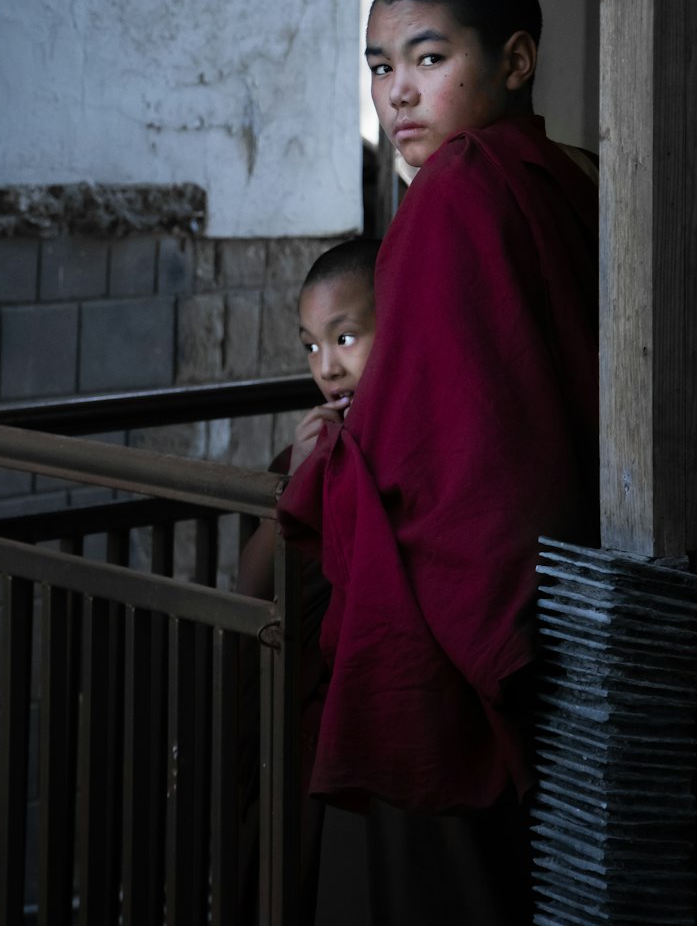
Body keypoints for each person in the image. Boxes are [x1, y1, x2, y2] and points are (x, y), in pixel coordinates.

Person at [277, 0, 599, 920]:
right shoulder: (562, 178)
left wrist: (318, 474)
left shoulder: (458, 185)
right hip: (561, 602)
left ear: (511, 61)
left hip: (437, 641)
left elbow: (441, 455)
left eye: (428, 58)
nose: (398, 95)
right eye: (380, 67)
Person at [236, 239, 380, 922]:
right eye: (311, 347)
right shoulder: (315, 443)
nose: (327, 367)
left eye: (346, 338)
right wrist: (296, 477)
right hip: (299, 710)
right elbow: (250, 583)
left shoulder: (409, 442)